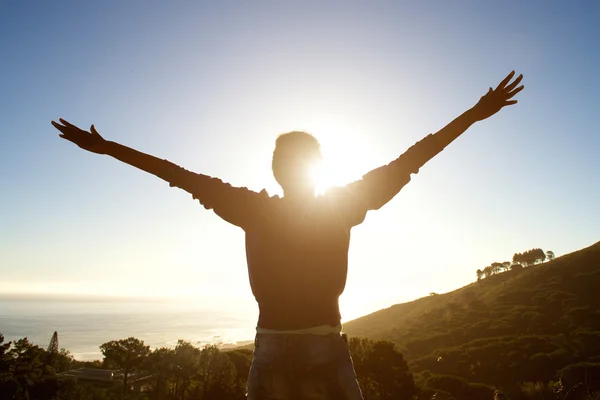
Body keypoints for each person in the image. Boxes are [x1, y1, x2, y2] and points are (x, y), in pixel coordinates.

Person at [52, 71, 523, 399]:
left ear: (276, 169)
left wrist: (106, 147)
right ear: (318, 168)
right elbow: (414, 157)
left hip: (271, 348)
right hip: (323, 345)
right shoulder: (346, 203)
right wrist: (474, 113)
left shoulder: (252, 209)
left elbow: (176, 174)